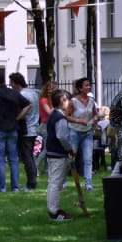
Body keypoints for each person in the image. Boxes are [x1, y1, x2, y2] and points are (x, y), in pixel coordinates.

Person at [0, 75, 30, 193]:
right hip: (13, 128)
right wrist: (18, 118)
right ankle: (15, 187)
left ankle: (1, 187)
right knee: (13, 159)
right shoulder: (14, 93)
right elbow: (28, 105)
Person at [45, 90, 76, 221]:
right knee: (56, 183)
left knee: (53, 182)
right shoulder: (60, 118)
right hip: (58, 154)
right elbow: (62, 137)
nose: (69, 103)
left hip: (52, 153)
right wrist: (70, 149)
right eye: (67, 100)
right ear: (62, 101)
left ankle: (53, 209)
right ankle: (54, 212)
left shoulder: (53, 115)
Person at [67, 77, 99, 190]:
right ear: (80, 88)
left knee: (88, 158)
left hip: (87, 133)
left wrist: (95, 118)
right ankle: (63, 180)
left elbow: (95, 113)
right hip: (74, 132)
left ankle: (88, 184)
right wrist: (79, 121)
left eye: (89, 85)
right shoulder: (73, 101)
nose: (88, 87)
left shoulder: (91, 101)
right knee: (71, 157)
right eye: (86, 85)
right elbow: (67, 116)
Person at [10, 72, 40, 191]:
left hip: (26, 128)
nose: (11, 86)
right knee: (30, 157)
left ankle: (31, 183)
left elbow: (22, 112)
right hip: (34, 127)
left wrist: (15, 118)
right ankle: (32, 181)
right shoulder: (34, 93)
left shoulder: (22, 95)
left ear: (17, 83)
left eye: (12, 84)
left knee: (27, 157)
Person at [36, 81, 57, 174]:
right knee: (47, 149)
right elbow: (49, 112)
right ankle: (35, 166)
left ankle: (46, 169)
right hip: (45, 126)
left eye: (53, 89)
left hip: (51, 126)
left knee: (49, 148)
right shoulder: (43, 100)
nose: (50, 91)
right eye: (49, 89)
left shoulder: (52, 100)